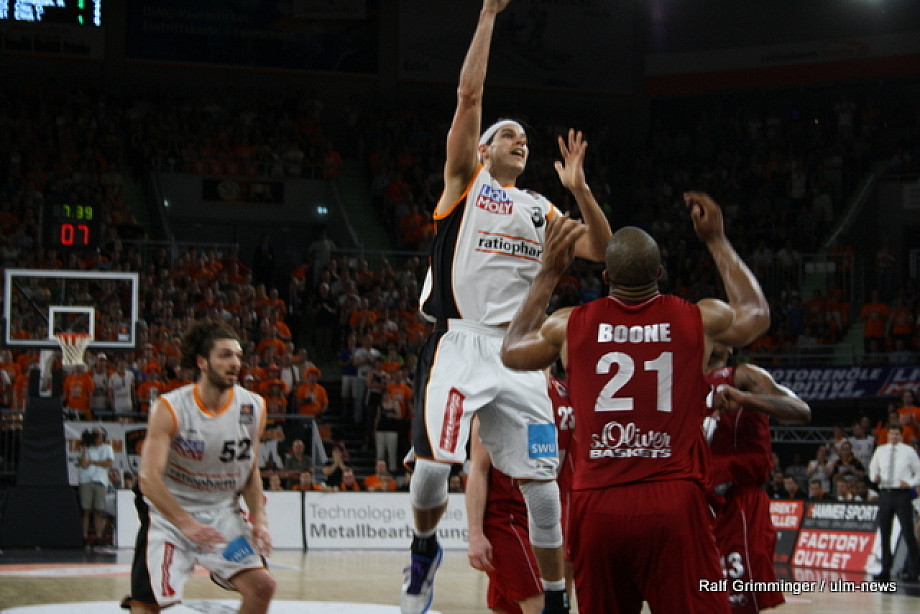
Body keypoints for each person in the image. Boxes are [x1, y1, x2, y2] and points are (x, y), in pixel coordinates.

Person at [402, 2, 611, 613]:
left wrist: (580, 191)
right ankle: (424, 549)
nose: (521, 142)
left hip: (523, 356)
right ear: (484, 148)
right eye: (509, 135)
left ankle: (556, 600)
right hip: (460, 343)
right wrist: (489, 14)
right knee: (432, 472)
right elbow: (468, 96)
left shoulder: (540, 208)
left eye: (525, 138)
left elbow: (600, 249)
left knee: (542, 490)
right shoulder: (465, 183)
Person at [500, 191, 769, 613]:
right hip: (673, 499)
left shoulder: (568, 324)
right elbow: (756, 313)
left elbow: (512, 350)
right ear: (659, 273)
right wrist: (716, 240)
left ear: (606, 276)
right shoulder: (698, 318)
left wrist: (550, 270)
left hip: (597, 503)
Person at [122, 320, 275, 613]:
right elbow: (148, 479)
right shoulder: (170, 407)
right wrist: (186, 523)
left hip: (222, 514)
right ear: (202, 362)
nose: (235, 363)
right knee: (148, 606)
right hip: (169, 515)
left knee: (262, 587)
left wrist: (260, 520)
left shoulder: (254, 406)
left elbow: (250, 470)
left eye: (238, 356)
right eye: (225, 355)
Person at [705, 343, 811, 614]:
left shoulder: (744, 375)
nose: (712, 340)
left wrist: (746, 399)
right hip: (694, 505)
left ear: (731, 345)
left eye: (720, 334)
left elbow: (801, 410)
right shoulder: (678, 381)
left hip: (737, 503)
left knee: (739, 601)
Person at [466, 417, 543, 614]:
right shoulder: (491, 410)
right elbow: (478, 469)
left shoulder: (549, 405)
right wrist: (475, 533)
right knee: (539, 600)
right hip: (506, 519)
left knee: (507, 607)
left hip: (534, 516)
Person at [868, 423, 920, 582]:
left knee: (908, 531)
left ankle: (914, 571)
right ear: (888, 435)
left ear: (901, 435)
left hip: (901, 494)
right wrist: (874, 477)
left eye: (897, 434)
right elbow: (872, 469)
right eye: (891, 434)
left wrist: (910, 483)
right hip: (885, 493)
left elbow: (919, 472)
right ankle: (885, 569)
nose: (894, 436)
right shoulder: (880, 450)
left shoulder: (908, 451)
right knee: (885, 532)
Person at [78, 426, 114, 547]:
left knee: (99, 510)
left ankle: (98, 536)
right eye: (94, 434)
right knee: (86, 510)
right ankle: (84, 536)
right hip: (86, 480)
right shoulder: (87, 448)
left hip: (100, 480)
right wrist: (84, 447)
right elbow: (84, 464)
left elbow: (109, 462)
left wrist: (92, 462)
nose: (96, 437)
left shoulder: (107, 448)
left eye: (98, 435)